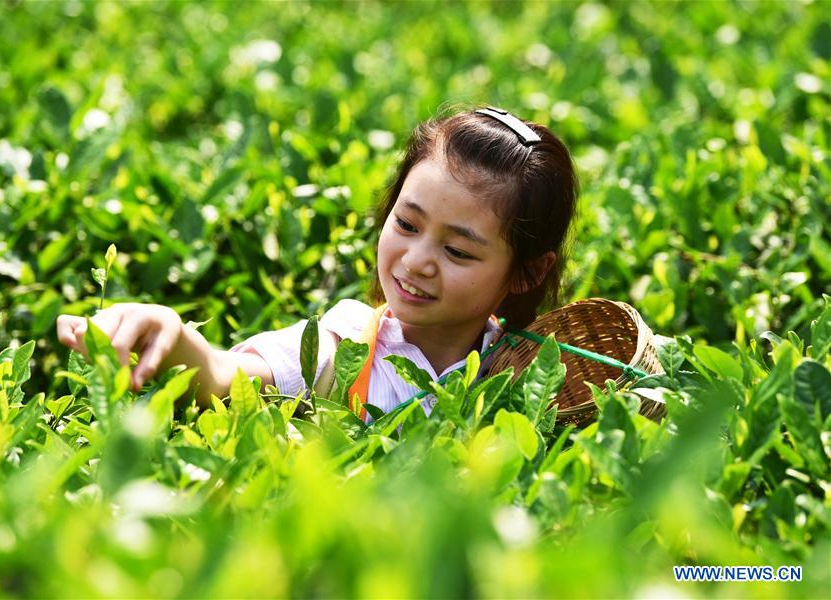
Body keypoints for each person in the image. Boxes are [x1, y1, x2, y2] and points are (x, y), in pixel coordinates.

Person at [56, 106, 578, 416]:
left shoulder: (530, 375)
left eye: (458, 250)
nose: (416, 261)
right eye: (407, 224)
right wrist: (167, 332)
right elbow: (225, 375)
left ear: (528, 271)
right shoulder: (347, 347)